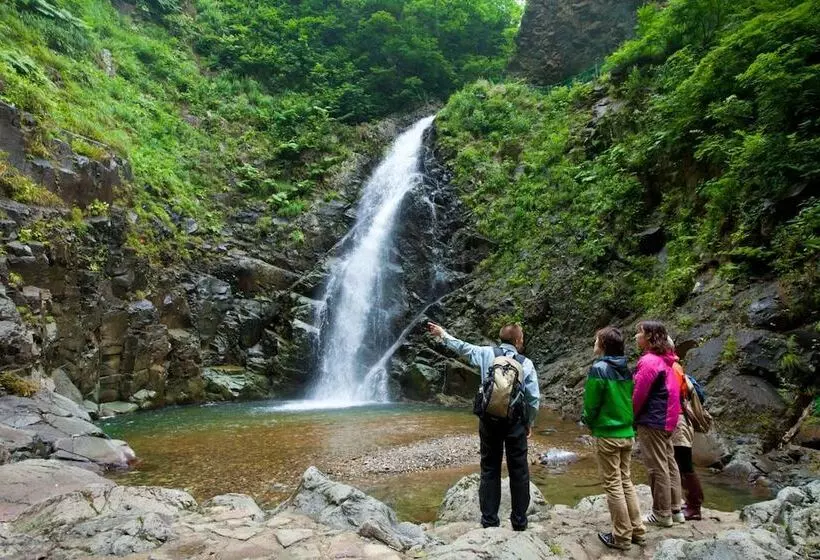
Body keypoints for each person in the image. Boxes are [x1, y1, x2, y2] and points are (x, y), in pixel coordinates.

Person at [427, 321, 540, 531]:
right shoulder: (526, 363)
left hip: (489, 419)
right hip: (514, 422)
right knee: (519, 470)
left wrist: (443, 334)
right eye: (522, 337)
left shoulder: (487, 353)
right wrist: (528, 422)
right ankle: (519, 522)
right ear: (517, 340)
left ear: (501, 338)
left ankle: (489, 521)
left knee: (489, 468)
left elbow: (462, 347)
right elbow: (533, 398)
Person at [582, 326, 647, 550]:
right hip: (627, 432)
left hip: (608, 433)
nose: (594, 344)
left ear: (603, 345)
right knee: (625, 481)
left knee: (613, 484)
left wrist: (588, 422)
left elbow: (591, 404)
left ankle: (621, 536)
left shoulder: (599, 369)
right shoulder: (627, 369)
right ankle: (637, 530)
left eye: (596, 340)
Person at [632, 320, 683, 528]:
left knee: (656, 467)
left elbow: (639, 393)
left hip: (653, 419)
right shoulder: (666, 360)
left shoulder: (649, 361)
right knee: (669, 463)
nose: (636, 337)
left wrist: (631, 415)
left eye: (640, 333)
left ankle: (661, 513)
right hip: (668, 418)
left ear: (650, 337)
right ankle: (675, 509)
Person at [668, 338, 705, 521]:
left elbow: (673, 396)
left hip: (679, 422)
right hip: (680, 420)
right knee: (681, 464)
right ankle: (690, 503)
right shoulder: (676, 366)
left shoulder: (673, 368)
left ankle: (695, 506)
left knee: (685, 465)